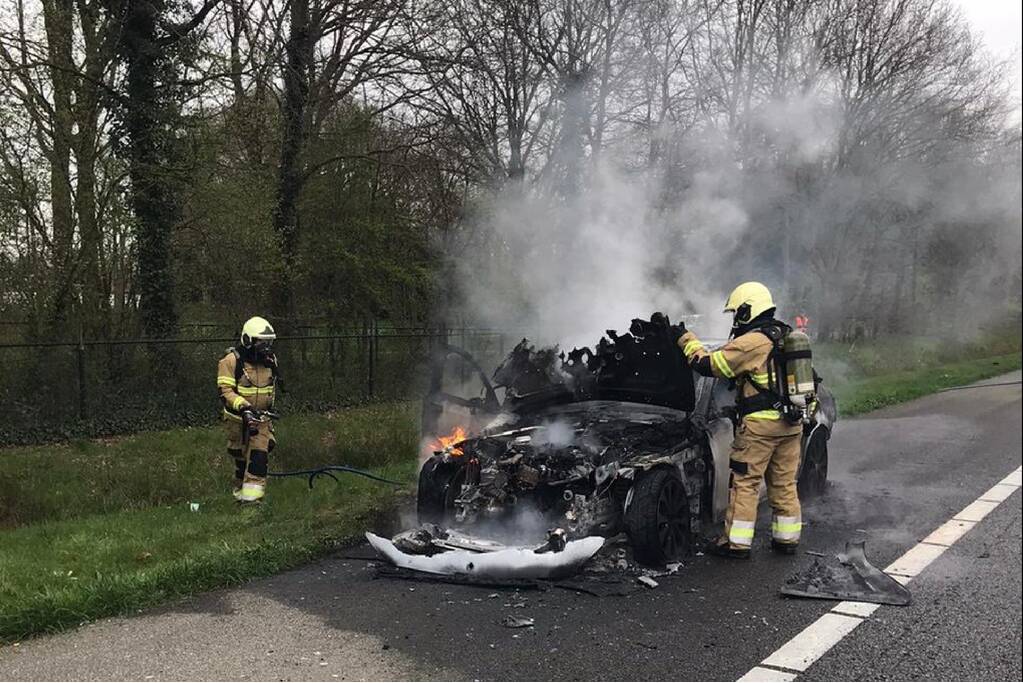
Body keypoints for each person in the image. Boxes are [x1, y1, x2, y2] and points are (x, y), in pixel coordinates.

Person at [676, 282, 802, 558]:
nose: (736, 318)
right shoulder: (785, 335)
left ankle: (736, 543)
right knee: (783, 483)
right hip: (790, 424)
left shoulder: (752, 341)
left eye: (737, 312)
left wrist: (686, 339)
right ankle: (786, 540)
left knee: (745, 483)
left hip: (760, 428)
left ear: (748, 309)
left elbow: (709, 365)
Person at [217, 316, 279, 504]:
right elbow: (225, 391)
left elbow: (271, 388)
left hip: (261, 420)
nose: (265, 347)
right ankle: (239, 495)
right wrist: (244, 408)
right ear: (248, 340)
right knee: (241, 459)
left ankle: (252, 502)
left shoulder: (270, 360)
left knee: (259, 458)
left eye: (268, 342)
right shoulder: (230, 362)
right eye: (261, 342)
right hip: (237, 420)